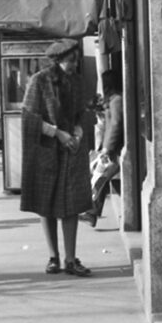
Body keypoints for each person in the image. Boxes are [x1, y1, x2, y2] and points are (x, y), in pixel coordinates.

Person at [19, 38, 93, 277]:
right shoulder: (39, 81)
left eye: (76, 60)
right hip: (46, 150)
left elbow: (82, 114)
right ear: (58, 60)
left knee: (71, 205)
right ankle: (54, 257)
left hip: (71, 150)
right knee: (47, 205)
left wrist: (78, 135)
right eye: (70, 61)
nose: (74, 64)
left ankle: (71, 259)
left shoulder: (77, 82)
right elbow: (29, 118)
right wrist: (58, 134)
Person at [80, 69, 124, 226]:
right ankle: (92, 212)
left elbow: (115, 125)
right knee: (102, 179)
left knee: (102, 178)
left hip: (114, 150)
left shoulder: (116, 100)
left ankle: (92, 212)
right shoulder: (114, 100)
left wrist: (107, 148)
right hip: (112, 149)